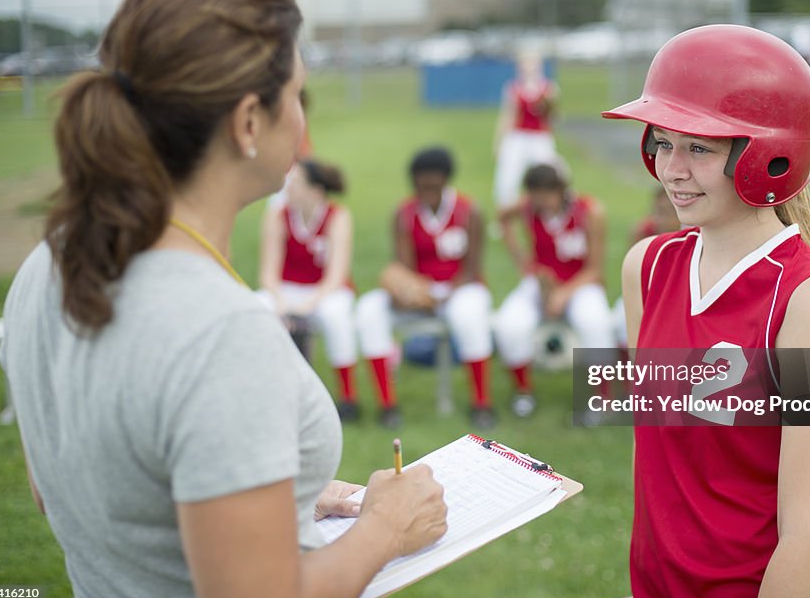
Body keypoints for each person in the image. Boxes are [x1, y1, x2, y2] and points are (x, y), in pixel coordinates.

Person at [0, 0, 446, 598]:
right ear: (247, 123)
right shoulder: (221, 331)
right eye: (297, 94)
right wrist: (387, 527)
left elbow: (68, 490)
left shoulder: (48, 261)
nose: (301, 119)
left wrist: (254, 492)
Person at [600, 24, 810, 598]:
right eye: (663, 143)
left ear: (770, 155)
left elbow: (809, 532)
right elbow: (672, 467)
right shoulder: (647, 267)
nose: (671, 169)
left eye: (699, 148)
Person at [356, 146, 496, 430]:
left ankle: (482, 403)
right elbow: (403, 266)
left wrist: (444, 295)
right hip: (422, 292)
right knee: (369, 309)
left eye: (432, 183)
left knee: (468, 315)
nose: (426, 190)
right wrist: (407, 292)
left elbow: (472, 268)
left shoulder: (469, 211)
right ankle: (388, 405)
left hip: (461, 288)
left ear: (446, 179)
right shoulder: (405, 213)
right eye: (421, 184)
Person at [494, 163, 614, 418]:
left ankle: (599, 397)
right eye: (534, 195)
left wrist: (563, 294)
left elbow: (595, 270)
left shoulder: (589, 211)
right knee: (510, 322)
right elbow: (503, 217)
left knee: (595, 322)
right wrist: (524, 263)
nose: (541, 202)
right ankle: (523, 391)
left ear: (561, 190)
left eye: (546, 195)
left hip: (580, 283)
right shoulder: (528, 207)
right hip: (541, 282)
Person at [258, 158, 361, 422]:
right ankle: (265, 392)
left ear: (315, 191)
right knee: (256, 308)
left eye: (295, 183)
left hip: (326, 290)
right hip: (287, 288)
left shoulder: (338, 216)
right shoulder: (278, 215)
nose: (288, 189)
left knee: (336, 316)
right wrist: (280, 301)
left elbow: (336, 276)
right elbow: (268, 273)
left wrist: (309, 304)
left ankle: (348, 398)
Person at [611, 187, 680, 349]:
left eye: (666, 213)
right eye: (657, 212)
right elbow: (634, 274)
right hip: (646, 290)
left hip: (675, 295)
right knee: (620, 320)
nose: (660, 219)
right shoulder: (644, 231)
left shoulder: (691, 234)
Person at [492, 48, 559, 210]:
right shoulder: (513, 88)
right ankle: (505, 215)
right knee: (507, 178)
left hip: (539, 137)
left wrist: (547, 106)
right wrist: (498, 141)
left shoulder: (549, 88)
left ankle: (553, 211)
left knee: (552, 173)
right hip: (518, 136)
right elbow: (508, 115)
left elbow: (553, 117)